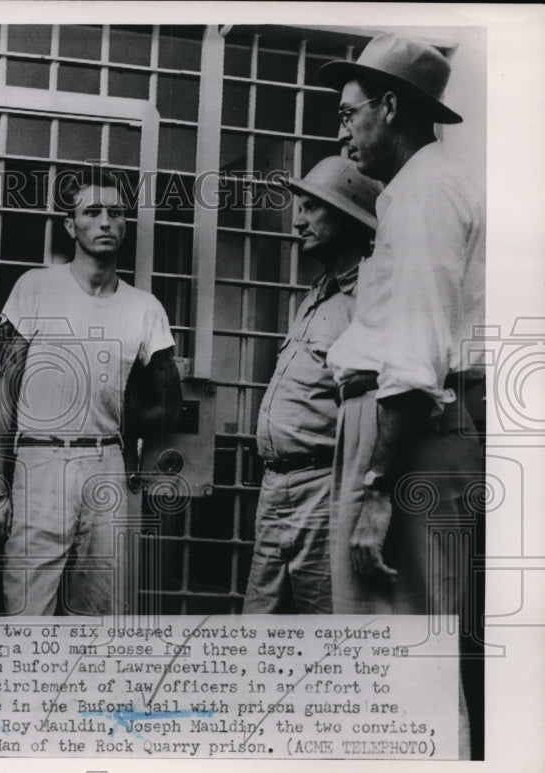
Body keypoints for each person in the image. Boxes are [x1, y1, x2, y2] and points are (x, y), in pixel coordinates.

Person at [318, 34, 484, 616]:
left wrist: (378, 487)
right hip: (405, 428)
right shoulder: (416, 190)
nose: (341, 134)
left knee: (399, 642)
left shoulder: (426, 194)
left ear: (389, 108)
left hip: (408, 431)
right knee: (391, 639)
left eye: (348, 115)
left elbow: (415, 358)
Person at [0, 167, 182, 616]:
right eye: (92, 212)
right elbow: (4, 392)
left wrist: (113, 426)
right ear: (69, 224)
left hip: (105, 464)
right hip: (39, 461)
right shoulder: (35, 287)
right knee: (26, 610)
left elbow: (169, 404)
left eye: (116, 213)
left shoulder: (144, 307)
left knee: (98, 613)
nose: (105, 222)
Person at [244, 156, 382, 614]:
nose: (296, 221)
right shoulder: (317, 293)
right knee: (259, 632)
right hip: (276, 489)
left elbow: (377, 412)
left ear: (346, 217)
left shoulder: (370, 301)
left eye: (310, 208)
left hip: (323, 490)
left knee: (323, 635)